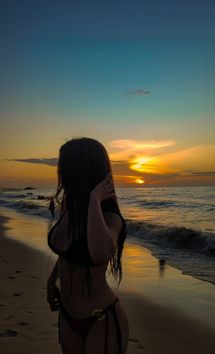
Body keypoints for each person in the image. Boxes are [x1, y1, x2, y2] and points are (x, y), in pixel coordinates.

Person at [47, 137, 129, 354]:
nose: (60, 172)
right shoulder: (68, 205)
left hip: (101, 319)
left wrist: (94, 200)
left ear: (79, 171)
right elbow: (66, 251)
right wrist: (51, 280)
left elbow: (101, 253)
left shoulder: (110, 218)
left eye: (64, 166)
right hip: (67, 314)